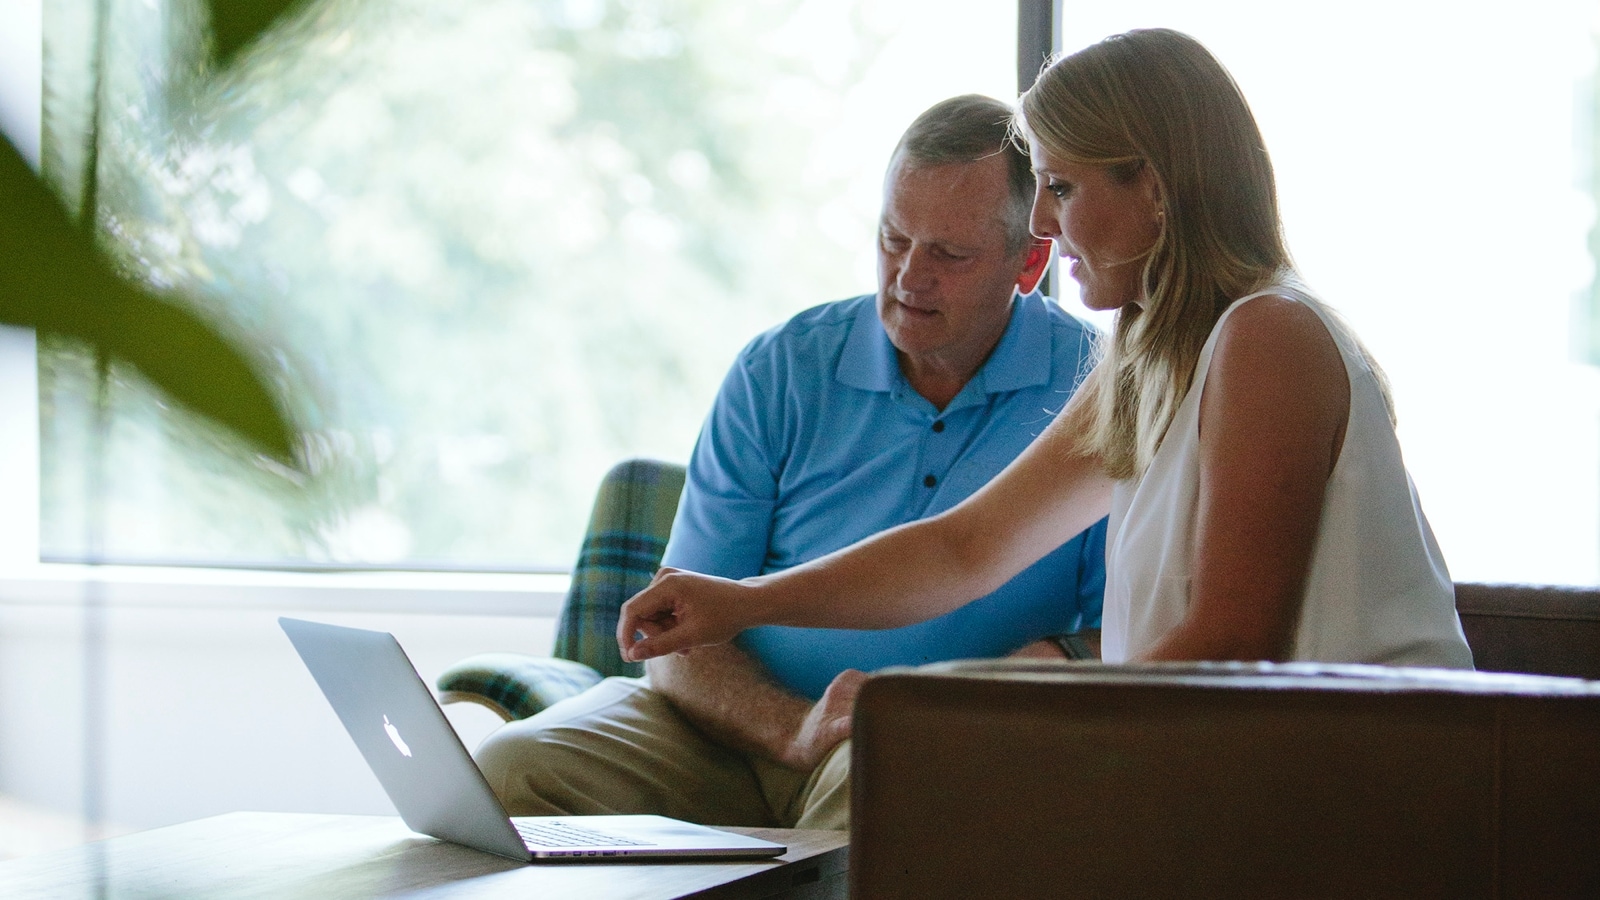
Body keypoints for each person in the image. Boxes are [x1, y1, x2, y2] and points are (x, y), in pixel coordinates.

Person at [617, 29, 1474, 672]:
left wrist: (1010, 722)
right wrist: (738, 602)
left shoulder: (1269, 336)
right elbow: (964, 551)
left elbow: (1233, 646)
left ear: (1160, 188)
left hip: (1364, 782)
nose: (1041, 224)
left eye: (1061, 187)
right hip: (1242, 766)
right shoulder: (1149, 358)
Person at [475, 94, 1110, 830]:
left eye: (949, 254)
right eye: (893, 239)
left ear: (1029, 260)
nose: (908, 277)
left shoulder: (1093, 391)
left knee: (891, 782)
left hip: (918, 741)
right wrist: (789, 729)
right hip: (724, 731)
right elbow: (680, 630)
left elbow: (1112, 640)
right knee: (511, 770)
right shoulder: (782, 367)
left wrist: (1012, 677)